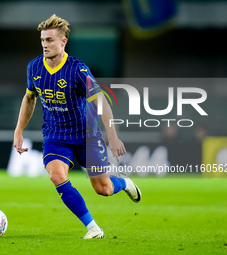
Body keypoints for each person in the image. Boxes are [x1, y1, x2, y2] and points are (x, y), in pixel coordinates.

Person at [13, 14, 141, 239]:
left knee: (104, 189)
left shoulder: (78, 70)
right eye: (43, 40)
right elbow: (29, 98)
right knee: (56, 176)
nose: (44, 44)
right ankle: (93, 228)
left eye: (50, 40)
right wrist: (18, 130)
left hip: (86, 136)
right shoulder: (34, 67)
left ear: (63, 42)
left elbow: (101, 101)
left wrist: (112, 136)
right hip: (56, 135)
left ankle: (124, 182)